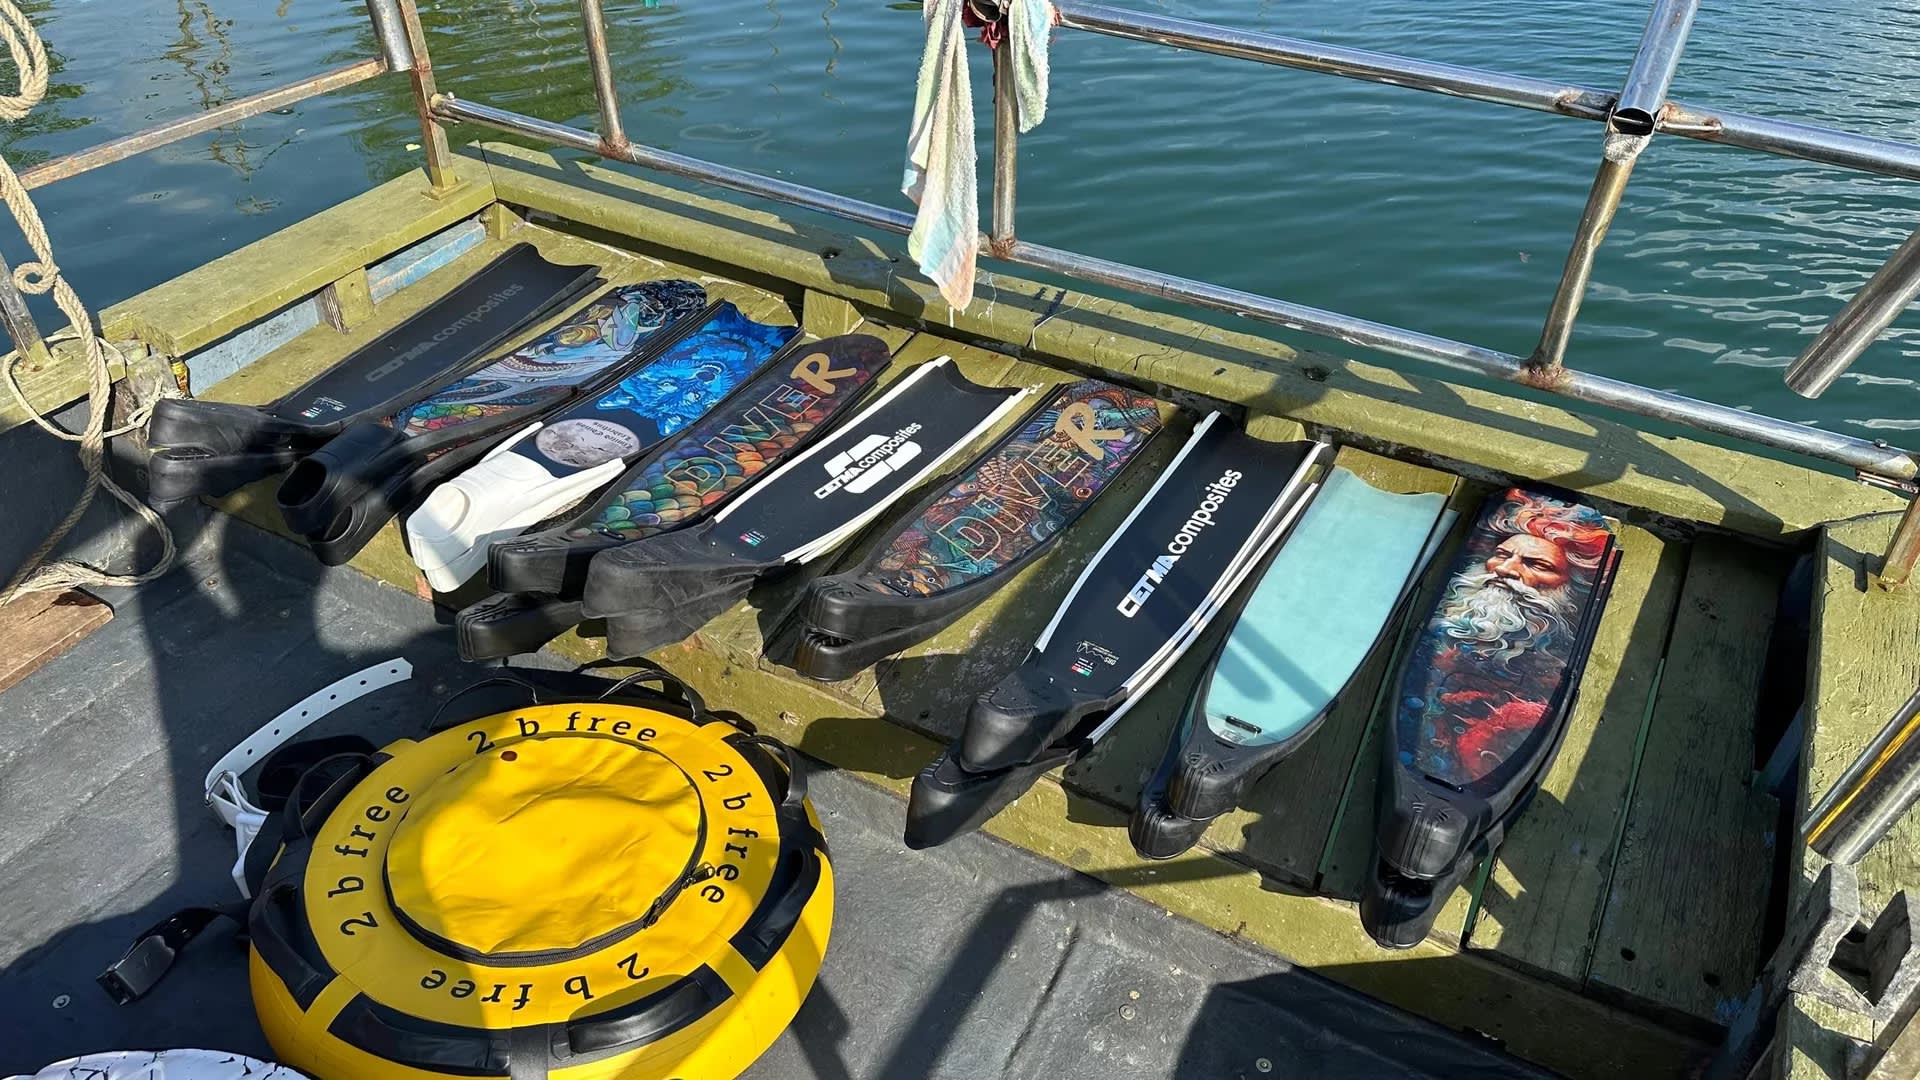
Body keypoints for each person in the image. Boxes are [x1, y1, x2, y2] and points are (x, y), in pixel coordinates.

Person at [1401, 490, 1612, 785]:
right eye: (1502, 554)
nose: (1503, 569)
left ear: (1571, 590)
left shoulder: (1544, 680)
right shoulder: (1443, 639)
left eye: (1536, 565)